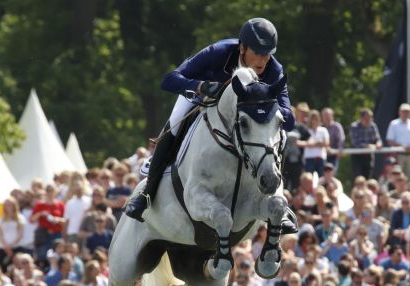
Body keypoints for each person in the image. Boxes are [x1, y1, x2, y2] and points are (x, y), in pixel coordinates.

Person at [123, 17, 295, 231]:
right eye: (257, 53)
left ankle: (279, 201)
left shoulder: (274, 70)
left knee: (280, 135)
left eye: (267, 53)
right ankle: (147, 193)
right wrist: (200, 86)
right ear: (242, 47)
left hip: (246, 120)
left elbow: (290, 119)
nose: (262, 60)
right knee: (175, 123)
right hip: (201, 99)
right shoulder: (219, 53)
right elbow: (169, 80)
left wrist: (270, 109)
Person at [386, 103, 410, 179]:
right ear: (399, 112)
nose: (405, 113)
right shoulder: (394, 124)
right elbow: (390, 140)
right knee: (398, 176)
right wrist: (401, 146)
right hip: (398, 155)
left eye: (407, 111)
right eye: (404, 111)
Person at [350, 109, 382, 180]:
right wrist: (367, 146)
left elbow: (378, 139)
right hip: (357, 157)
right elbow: (355, 143)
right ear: (361, 118)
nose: (369, 120)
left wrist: (378, 144)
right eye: (367, 118)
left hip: (369, 156)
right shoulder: (354, 126)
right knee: (357, 178)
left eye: (370, 118)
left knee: (368, 178)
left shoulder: (373, 126)